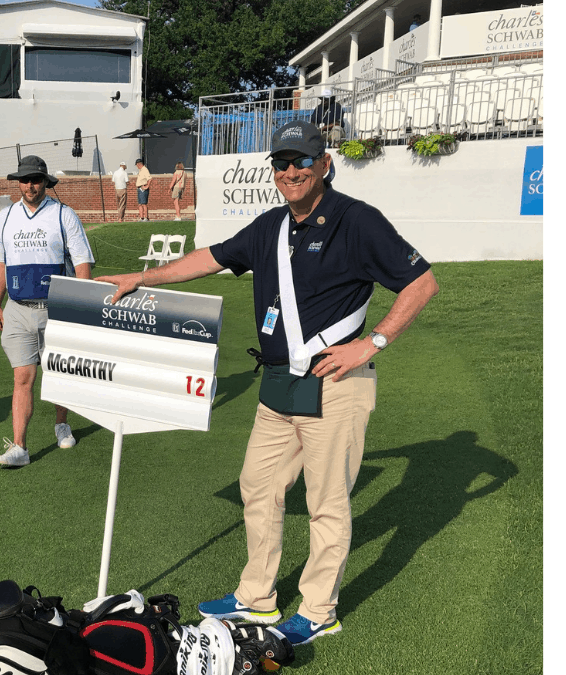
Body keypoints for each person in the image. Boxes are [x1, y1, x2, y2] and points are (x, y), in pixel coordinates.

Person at [97, 120, 438, 645]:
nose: (291, 171)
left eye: (302, 161)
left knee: (327, 503)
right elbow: (207, 259)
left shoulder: (357, 220)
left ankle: (320, 610)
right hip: (278, 384)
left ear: (324, 164)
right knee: (258, 486)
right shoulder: (269, 226)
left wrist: (373, 343)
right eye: (282, 163)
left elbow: (421, 282)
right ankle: (257, 598)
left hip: (335, 383)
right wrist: (142, 276)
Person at [0, 155, 95, 467]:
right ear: (18, 183)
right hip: (18, 308)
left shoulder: (64, 215)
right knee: (23, 376)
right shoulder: (6, 216)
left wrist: (81, 304)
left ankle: (62, 423)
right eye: (24, 180)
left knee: (59, 370)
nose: (30, 185)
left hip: (57, 307)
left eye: (35, 179)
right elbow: (0, 262)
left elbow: (82, 261)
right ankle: (20, 447)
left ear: (46, 182)